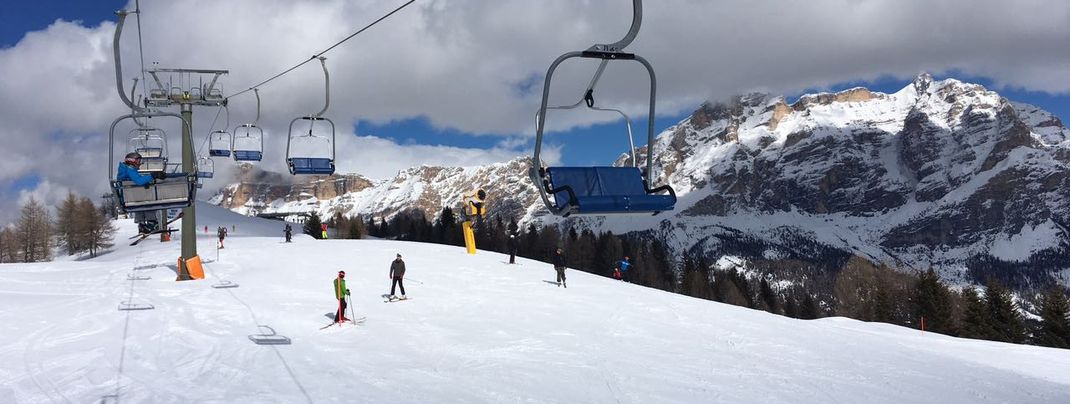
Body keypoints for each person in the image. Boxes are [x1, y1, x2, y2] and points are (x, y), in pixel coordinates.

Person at [116, 152, 164, 234]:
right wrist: (153, 176)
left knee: (139, 202)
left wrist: (145, 182)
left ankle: (141, 223)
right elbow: (138, 181)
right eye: (138, 161)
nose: (140, 163)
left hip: (130, 196)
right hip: (131, 196)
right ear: (132, 161)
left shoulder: (125, 169)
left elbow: (134, 180)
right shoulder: (129, 169)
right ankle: (151, 222)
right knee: (148, 201)